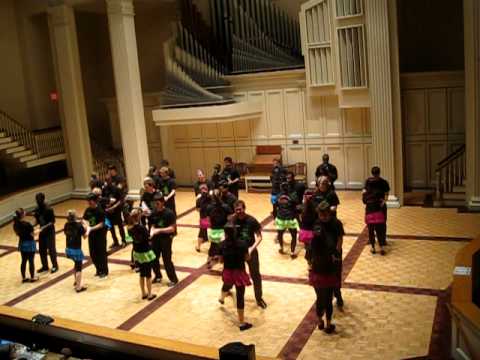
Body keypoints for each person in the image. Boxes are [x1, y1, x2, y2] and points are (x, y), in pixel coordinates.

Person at [308, 201, 344, 334]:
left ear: (329, 213)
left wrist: (337, 253)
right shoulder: (317, 224)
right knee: (324, 298)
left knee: (325, 297)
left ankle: (325, 322)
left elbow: (339, 239)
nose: (322, 217)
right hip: (322, 266)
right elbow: (312, 246)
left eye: (324, 214)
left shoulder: (336, 223)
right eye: (320, 215)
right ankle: (323, 322)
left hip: (329, 262)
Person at [231, 200, 267, 309]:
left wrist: (251, 249)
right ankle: (233, 294)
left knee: (256, 275)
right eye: (236, 210)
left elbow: (259, 237)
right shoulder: (232, 220)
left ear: (244, 208)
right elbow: (228, 235)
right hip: (237, 253)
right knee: (236, 275)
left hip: (251, 251)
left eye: (240, 209)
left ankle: (259, 298)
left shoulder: (251, 220)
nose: (238, 212)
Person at [218, 223, 253, 331]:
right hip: (239, 272)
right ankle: (242, 323)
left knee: (226, 285)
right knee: (240, 296)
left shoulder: (222, 244)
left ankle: (222, 298)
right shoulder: (242, 244)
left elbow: (220, 260)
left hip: (228, 271)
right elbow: (247, 258)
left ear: (225, 233)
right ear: (235, 232)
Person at [149, 193, 179, 286]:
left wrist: (159, 230)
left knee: (166, 260)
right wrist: (152, 232)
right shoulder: (153, 212)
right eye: (154, 203)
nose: (155, 205)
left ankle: (173, 279)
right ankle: (158, 276)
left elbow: (172, 228)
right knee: (154, 258)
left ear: (162, 203)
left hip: (166, 239)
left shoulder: (169, 213)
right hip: (156, 239)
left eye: (157, 203)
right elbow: (153, 225)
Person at [128, 208, 157, 300]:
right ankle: (149, 294)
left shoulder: (129, 228)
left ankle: (143, 293)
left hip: (137, 252)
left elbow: (129, 239)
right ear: (139, 216)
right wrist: (152, 231)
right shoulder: (142, 228)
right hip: (145, 253)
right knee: (148, 274)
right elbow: (148, 238)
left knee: (141, 274)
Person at [363, 166, 390, 255]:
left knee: (374, 226)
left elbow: (364, 194)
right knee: (380, 226)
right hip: (378, 206)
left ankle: (376, 244)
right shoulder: (383, 182)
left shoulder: (369, 182)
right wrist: (384, 201)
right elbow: (386, 193)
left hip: (374, 207)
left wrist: (383, 201)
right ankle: (380, 243)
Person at [82, 193, 109, 278]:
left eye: (90, 201)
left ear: (95, 201)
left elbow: (101, 224)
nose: (89, 203)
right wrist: (86, 226)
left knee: (101, 253)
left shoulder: (100, 210)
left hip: (100, 235)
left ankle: (104, 271)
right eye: (88, 201)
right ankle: (98, 269)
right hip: (92, 235)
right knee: (93, 254)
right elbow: (84, 219)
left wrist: (91, 228)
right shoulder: (88, 210)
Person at [205, 189, 232, 268]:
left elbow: (208, 220)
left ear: (212, 197)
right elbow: (230, 218)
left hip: (213, 230)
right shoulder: (226, 206)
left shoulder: (209, 207)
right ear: (221, 195)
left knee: (213, 246)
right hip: (223, 231)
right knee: (223, 248)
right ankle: (222, 263)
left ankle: (209, 262)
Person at [33, 192, 58, 273]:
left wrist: (43, 227)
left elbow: (52, 222)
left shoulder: (49, 209)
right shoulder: (37, 209)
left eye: (39, 200)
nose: (37, 201)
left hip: (50, 231)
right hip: (42, 231)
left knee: (51, 249)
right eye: (36, 200)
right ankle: (45, 266)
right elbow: (37, 220)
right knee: (42, 249)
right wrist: (32, 225)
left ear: (42, 199)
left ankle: (55, 266)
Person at [64, 210, 87, 293]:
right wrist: (86, 226)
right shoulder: (79, 225)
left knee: (76, 265)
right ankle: (78, 287)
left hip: (68, 249)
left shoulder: (66, 224)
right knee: (79, 268)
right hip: (76, 250)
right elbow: (85, 236)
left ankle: (76, 281)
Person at [13, 208, 38, 283]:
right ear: (22, 215)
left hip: (22, 243)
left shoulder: (15, 224)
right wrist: (38, 231)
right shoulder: (27, 224)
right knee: (31, 261)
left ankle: (23, 277)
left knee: (23, 261)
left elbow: (18, 233)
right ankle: (32, 277)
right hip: (30, 243)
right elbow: (32, 234)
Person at [103, 177, 127, 248]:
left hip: (116, 210)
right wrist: (107, 207)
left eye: (109, 180)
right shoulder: (104, 189)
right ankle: (115, 241)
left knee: (120, 226)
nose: (108, 182)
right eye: (107, 181)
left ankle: (123, 241)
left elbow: (121, 200)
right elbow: (103, 199)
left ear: (111, 181)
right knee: (111, 227)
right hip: (108, 211)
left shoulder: (116, 189)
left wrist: (113, 207)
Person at [275, 189, 299, 258]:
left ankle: (281, 248)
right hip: (290, 219)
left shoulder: (278, 195)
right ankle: (292, 252)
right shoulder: (293, 194)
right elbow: (296, 205)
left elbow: (275, 206)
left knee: (280, 234)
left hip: (281, 219)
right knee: (293, 236)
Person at [299, 190, 316, 266]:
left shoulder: (302, 207)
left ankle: (309, 262)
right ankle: (311, 261)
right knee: (312, 248)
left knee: (307, 248)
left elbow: (300, 219)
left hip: (304, 232)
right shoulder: (315, 208)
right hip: (312, 232)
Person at [195, 183, 211, 253]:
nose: (204, 190)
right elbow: (197, 209)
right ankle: (198, 246)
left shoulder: (210, 197)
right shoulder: (199, 199)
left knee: (203, 231)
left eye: (205, 189)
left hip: (209, 217)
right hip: (205, 217)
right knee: (202, 232)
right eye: (202, 189)